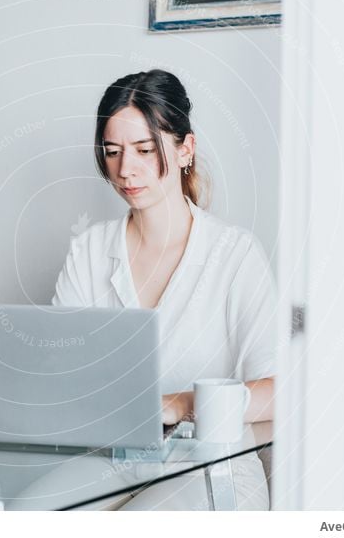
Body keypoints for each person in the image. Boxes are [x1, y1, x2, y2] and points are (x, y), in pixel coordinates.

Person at [50, 69, 277, 510]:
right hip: (111, 458)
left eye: (144, 150)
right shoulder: (90, 249)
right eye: (112, 152)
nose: (125, 169)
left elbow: (281, 389)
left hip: (211, 463)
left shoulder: (234, 253)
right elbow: (60, 369)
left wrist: (180, 403)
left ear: (185, 148)